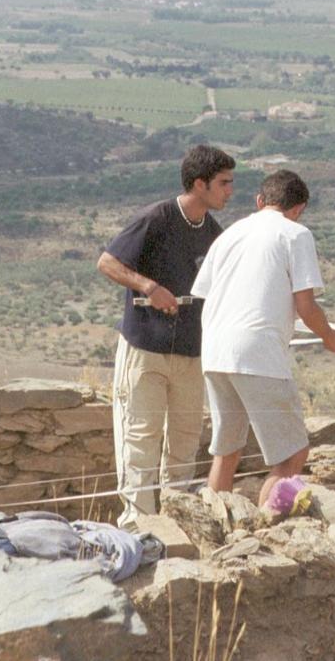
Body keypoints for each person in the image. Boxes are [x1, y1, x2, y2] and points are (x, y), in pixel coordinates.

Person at [190, 169, 335, 507]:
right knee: (291, 455)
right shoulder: (296, 234)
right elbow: (305, 305)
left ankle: (216, 526)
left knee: (227, 452)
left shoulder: (229, 235)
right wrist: (331, 338)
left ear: (260, 201)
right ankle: (265, 532)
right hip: (257, 353)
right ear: (299, 208)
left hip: (216, 349)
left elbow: (207, 292)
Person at [97, 145, 235, 528]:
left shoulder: (213, 234)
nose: (229, 191)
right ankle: (137, 525)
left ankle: (177, 522)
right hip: (145, 346)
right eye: (223, 183)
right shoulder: (156, 218)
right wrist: (149, 287)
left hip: (191, 352)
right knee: (140, 437)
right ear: (199, 184)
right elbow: (107, 262)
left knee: (186, 440)